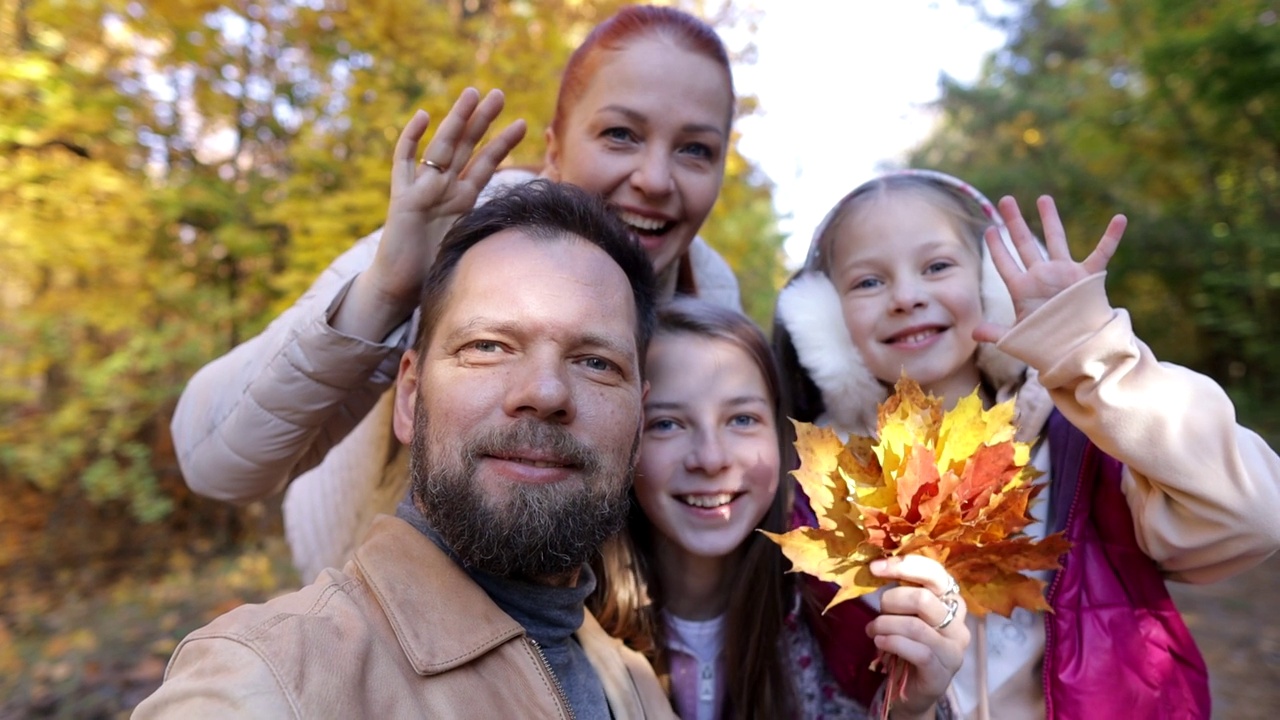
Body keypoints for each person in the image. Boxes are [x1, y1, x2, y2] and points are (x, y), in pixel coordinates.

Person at [170, 5, 744, 583]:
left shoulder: (710, 297)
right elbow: (215, 464)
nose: (655, 179)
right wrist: (386, 293)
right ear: (554, 149)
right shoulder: (459, 229)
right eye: (620, 134)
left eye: (695, 149)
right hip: (375, 604)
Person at [133, 179, 676, 718]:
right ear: (410, 398)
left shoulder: (633, 683)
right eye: (487, 346)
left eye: (596, 363)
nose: (545, 392)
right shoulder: (269, 681)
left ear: (639, 420)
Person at [771, 169, 1280, 718]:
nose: (907, 297)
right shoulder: (813, 489)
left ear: (991, 285)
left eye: (938, 266)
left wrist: (1089, 352)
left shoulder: (1086, 433)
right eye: (868, 282)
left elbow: (1251, 519)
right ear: (819, 320)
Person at [591, 298, 968, 719]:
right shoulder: (573, 626)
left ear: (780, 436)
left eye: (742, 420)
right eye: (666, 424)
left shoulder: (840, 619)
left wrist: (912, 710)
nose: (711, 458)